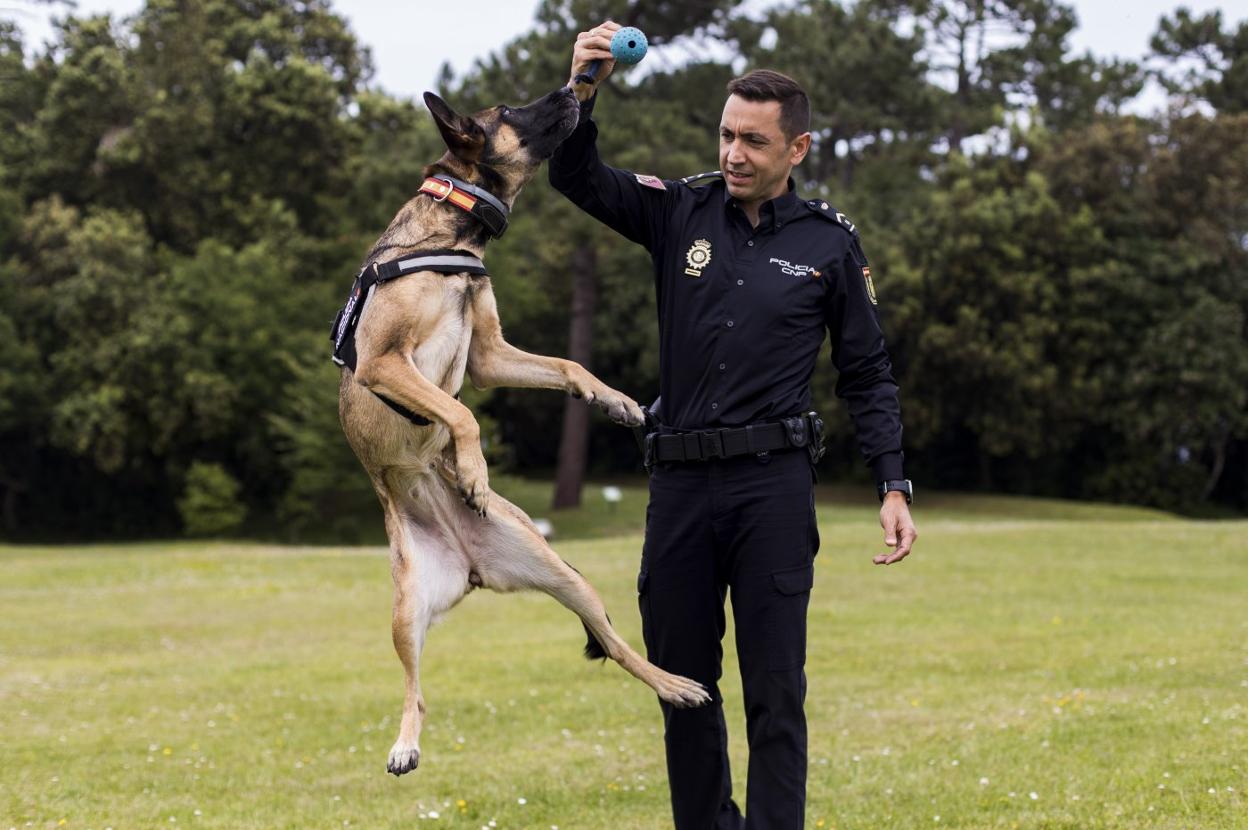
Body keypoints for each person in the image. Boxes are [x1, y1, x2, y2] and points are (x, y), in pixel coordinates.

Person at [549, 21, 919, 829]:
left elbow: (866, 373)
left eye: (754, 140)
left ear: (798, 148)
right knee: (683, 685)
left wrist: (893, 481)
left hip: (772, 492)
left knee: (776, 693)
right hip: (679, 488)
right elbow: (574, 176)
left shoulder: (829, 244)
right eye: (726, 134)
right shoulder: (678, 211)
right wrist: (583, 86)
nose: (734, 153)